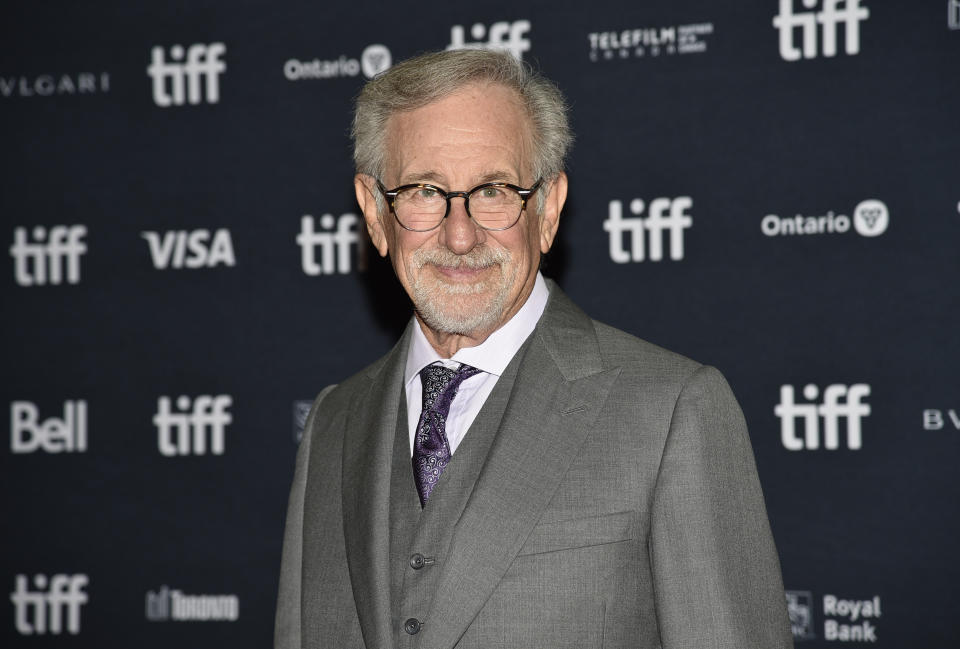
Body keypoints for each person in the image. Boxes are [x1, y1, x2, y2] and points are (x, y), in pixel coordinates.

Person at [275, 49, 793, 649]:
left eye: (493, 190)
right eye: (424, 190)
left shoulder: (672, 412)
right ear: (375, 213)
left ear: (546, 209)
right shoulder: (333, 425)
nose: (459, 234)